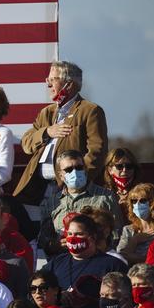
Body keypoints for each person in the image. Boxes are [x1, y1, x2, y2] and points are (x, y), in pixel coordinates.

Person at [13, 61, 108, 208]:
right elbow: (26, 143)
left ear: (68, 84)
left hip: (71, 190)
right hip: (40, 191)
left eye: (53, 80)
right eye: (47, 80)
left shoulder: (90, 111)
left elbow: (97, 151)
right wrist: (47, 131)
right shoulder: (47, 112)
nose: (48, 84)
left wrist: (76, 180)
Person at [42, 214, 127, 308]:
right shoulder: (57, 262)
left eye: (79, 234)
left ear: (92, 237)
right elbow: (37, 286)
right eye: (70, 234)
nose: (73, 238)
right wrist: (56, 295)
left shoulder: (112, 265)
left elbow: (123, 300)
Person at [39, 150, 122, 257]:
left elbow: (117, 233)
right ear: (61, 175)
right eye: (68, 170)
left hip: (97, 259)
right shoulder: (51, 202)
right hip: (63, 261)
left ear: (85, 170)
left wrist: (96, 245)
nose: (74, 172)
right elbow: (44, 239)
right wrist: (56, 245)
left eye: (79, 168)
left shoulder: (106, 196)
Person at [117, 183, 154, 265]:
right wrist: (135, 240)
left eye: (143, 200)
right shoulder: (128, 230)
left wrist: (132, 256)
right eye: (134, 201)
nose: (137, 205)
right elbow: (120, 257)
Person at [103, 147, 141, 217]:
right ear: (110, 169)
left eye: (129, 166)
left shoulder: (143, 192)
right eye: (119, 166)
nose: (124, 170)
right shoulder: (103, 194)